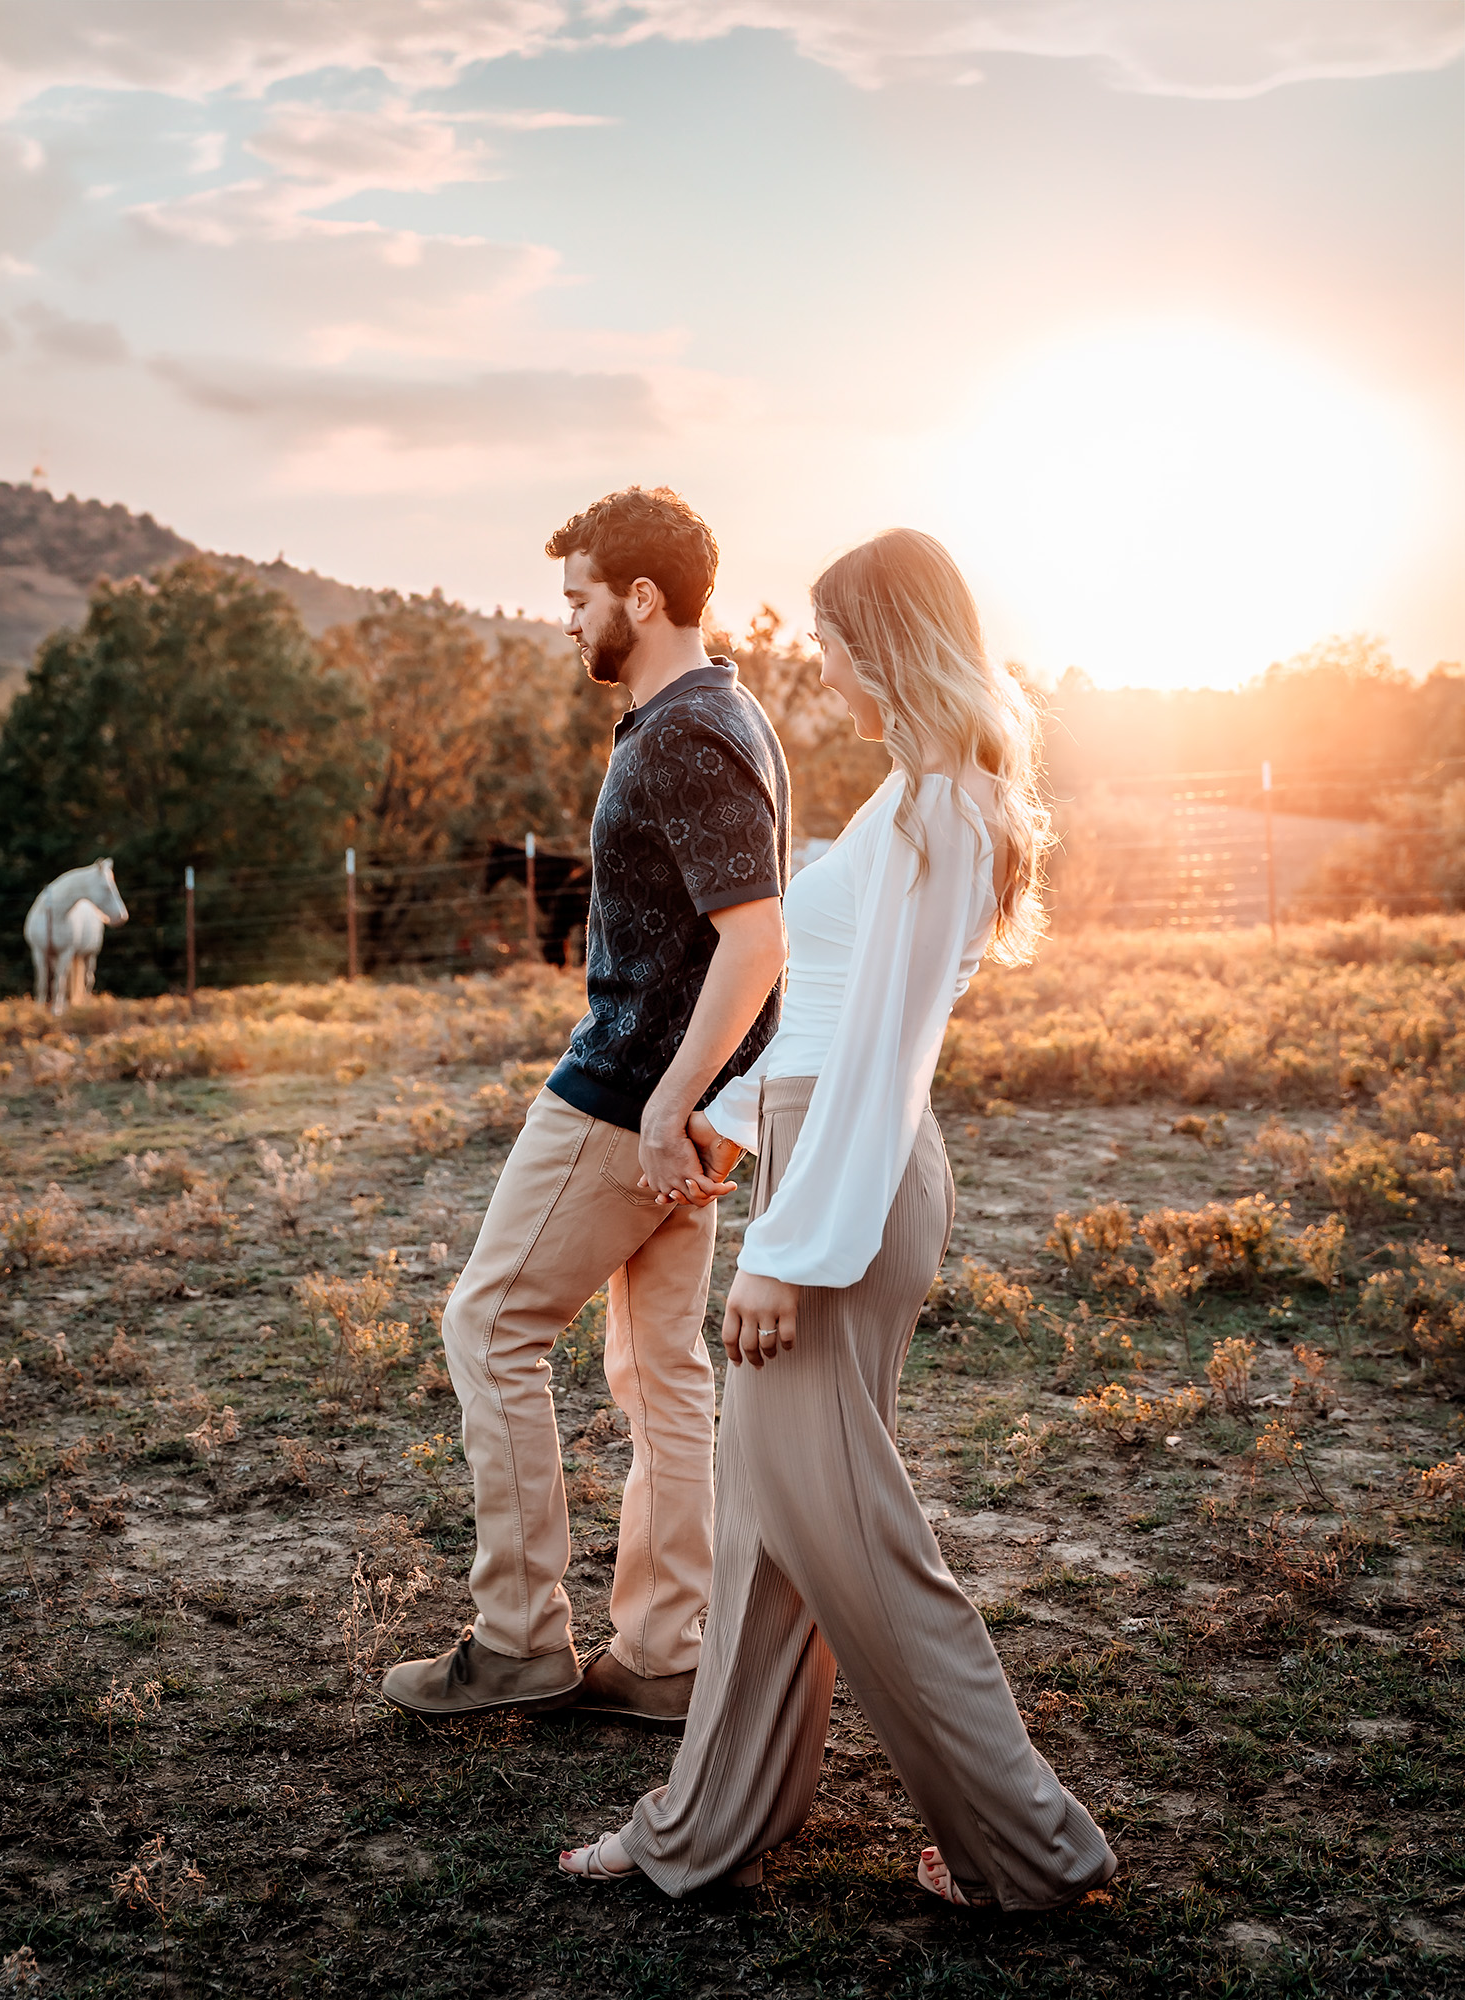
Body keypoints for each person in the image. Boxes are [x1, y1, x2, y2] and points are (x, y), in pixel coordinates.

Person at [558, 529, 1117, 1909]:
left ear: (889, 637)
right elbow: (823, 1021)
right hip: (817, 1155)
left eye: (831, 635)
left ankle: (1033, 1851)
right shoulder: (911, 795)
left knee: (855, 1535)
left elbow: (885, 1058)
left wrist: (790, 1250)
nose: (817, 659)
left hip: (850, 1190)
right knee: (765, 1528)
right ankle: (707, 1825)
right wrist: (730, 1127)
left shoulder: (942, 808)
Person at [383, 487, 790, 1727]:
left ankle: (518, 1637)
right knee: (659, 1365)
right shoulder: (718, 715)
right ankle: (664, 1651)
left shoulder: (685, 730)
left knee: (489, 1323)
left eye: (577, 599)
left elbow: (757, 936)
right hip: (682, 1095)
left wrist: (671, 1101)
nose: (566, 622)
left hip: (629, 1095)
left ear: (641, 598)